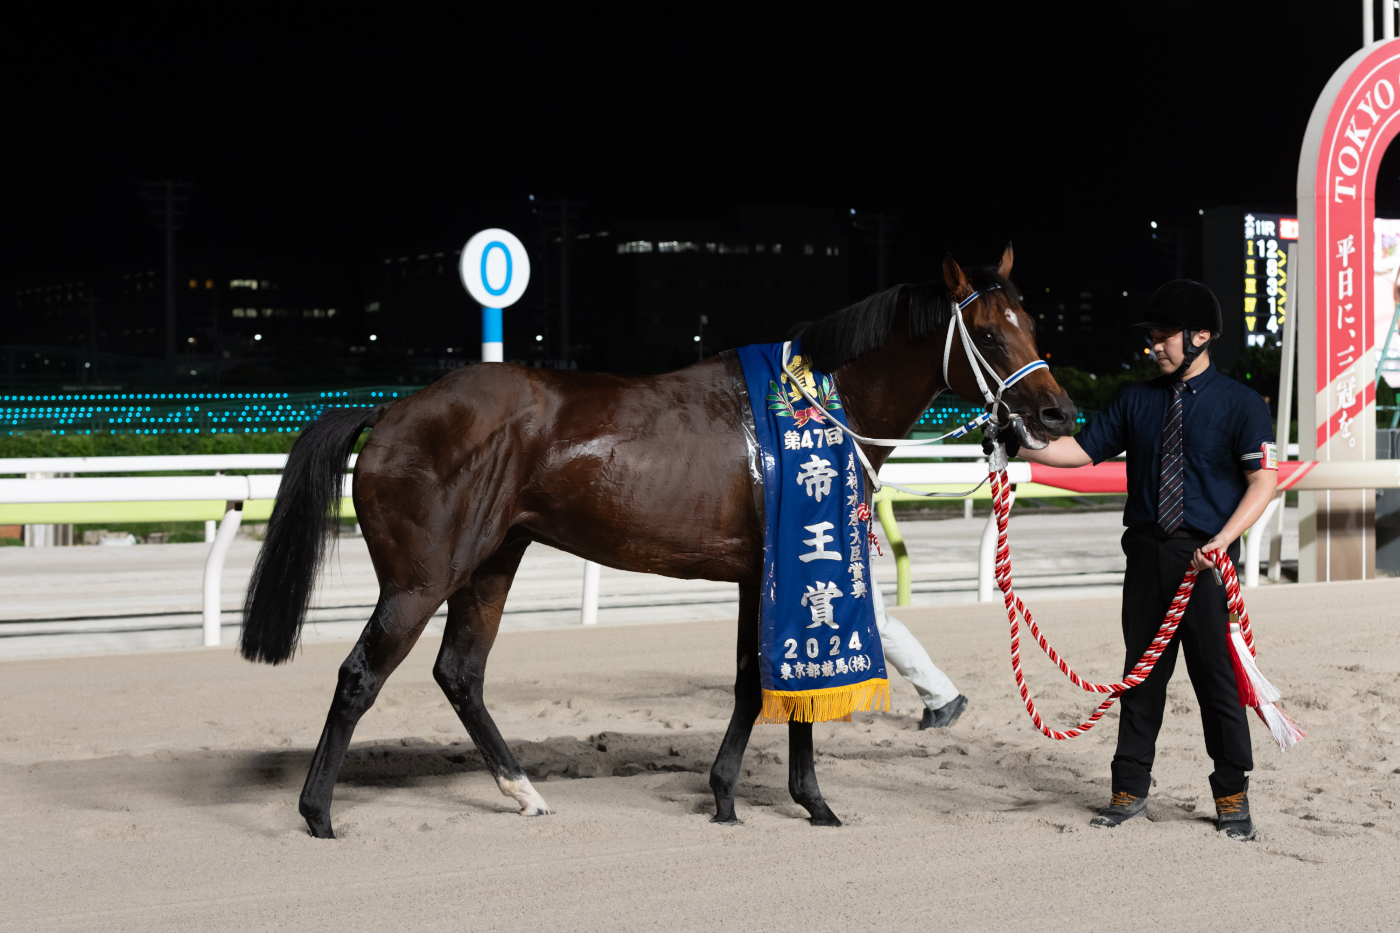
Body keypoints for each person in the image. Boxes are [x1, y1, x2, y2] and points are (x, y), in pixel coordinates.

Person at [1015, 280, 1278, 841]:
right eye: (1153, 338)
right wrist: (1015, 443)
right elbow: (1079, 452)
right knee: (1141, 678)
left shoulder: (1241, 404)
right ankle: (1128, 791)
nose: (1154, 347)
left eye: (1164, 337)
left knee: (1217, 685)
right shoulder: (1136, 399)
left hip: (1205, 565)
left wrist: (1223, 539)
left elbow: (1264, 482)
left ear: (1200, 336)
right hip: (1146, 558)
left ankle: (1232, 796)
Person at [870, 563, 968, 729]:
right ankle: (942, 697)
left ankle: (942, 697)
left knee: (874, 622)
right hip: (830, 543)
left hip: (842, 545)